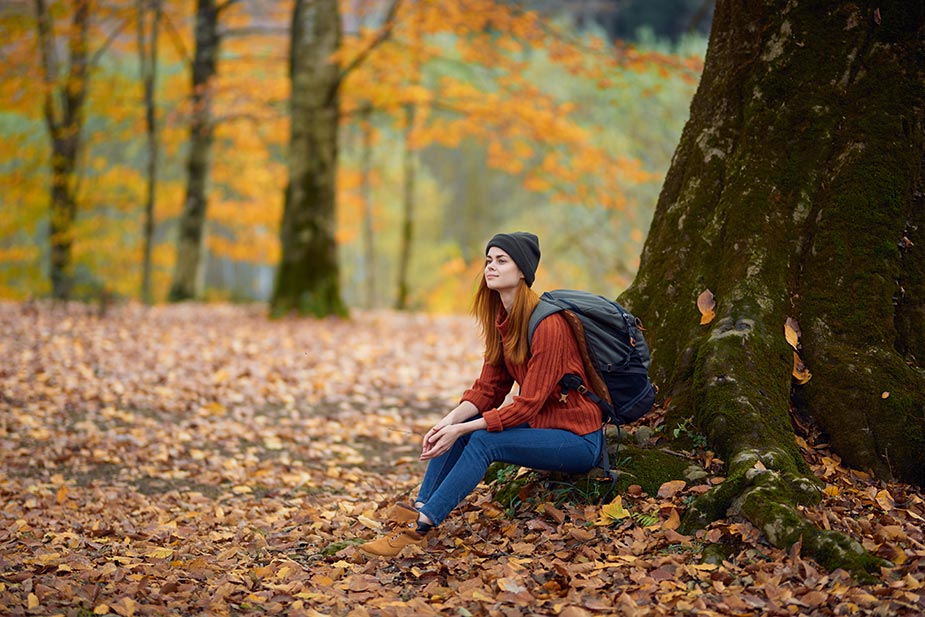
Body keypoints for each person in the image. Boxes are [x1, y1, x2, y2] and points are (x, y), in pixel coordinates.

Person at [360, 232, 605, 557]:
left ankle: (420, 527)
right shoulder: (502, 319)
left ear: (522, 272)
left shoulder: (548, 325)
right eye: (489, 260)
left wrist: (461, 429)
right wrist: (446, 424)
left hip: (578, 438)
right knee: (467, 426)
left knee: (481, 439)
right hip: (543, 429)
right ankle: (419, 508)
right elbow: (488, 389)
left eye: (501, 260)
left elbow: (527, 406)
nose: (491, 266)